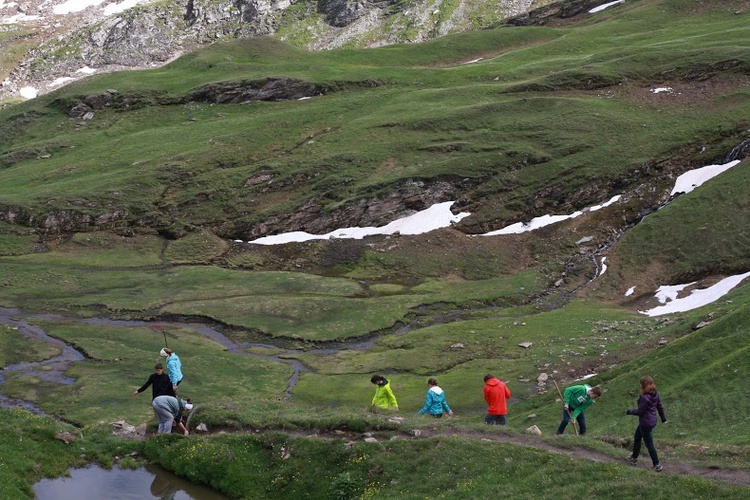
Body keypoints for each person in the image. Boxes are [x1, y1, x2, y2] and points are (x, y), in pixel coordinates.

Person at [625, 375, 667, 472]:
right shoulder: (655, 393)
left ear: (642, 385)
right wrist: (663, 418)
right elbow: (660, 406)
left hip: (645, 423)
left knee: (649, 444)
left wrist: (629, 411)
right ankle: (634, 457)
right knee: (637, 437)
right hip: (652, 421)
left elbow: (640, 412)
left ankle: (657, 464)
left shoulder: (644, 397)